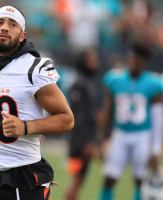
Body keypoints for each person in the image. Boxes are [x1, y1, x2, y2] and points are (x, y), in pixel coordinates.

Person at [0, 5, 74, 200]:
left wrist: (26, 126)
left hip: (25, 176)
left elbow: (66, 119)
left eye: (13, 24)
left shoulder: (33, 69)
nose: (4, 27)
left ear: (22, 36)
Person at [98, 42, 163, 200]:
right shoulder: (114, 79)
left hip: (142, 136)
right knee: (109, 178)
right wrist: (103, 140)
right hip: (119, 135)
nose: (133, 63)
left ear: (144, 63)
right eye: (131, 59)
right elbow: (108, 112)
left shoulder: (154, 83)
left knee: (140, 181)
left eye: (137, 61)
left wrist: (155, 148)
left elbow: (157, 117)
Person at [64, 49, 100, 200]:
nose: (96, 62)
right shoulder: (79, 84)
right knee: (76, 180)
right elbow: (77, 117)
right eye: (92, 59)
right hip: (80, 142)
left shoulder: (85, 82)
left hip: (82, 141)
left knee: (79, 180)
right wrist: (85, 143)